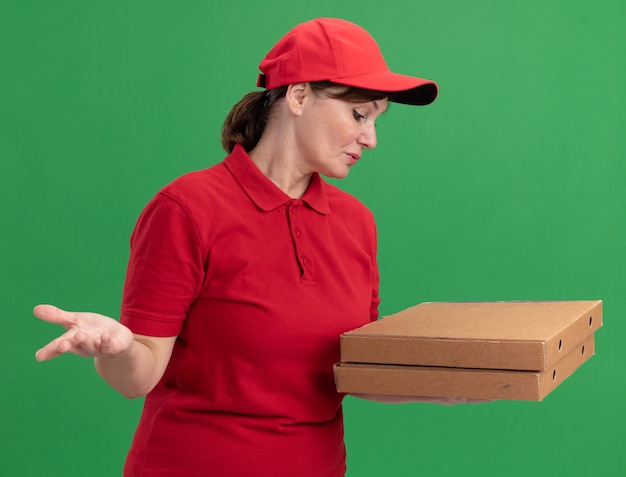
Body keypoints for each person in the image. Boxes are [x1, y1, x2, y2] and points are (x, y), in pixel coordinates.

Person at [34, 17, 445, 477]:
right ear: (299, 96)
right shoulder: (187, 208)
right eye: (359, 114)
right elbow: (139, 376)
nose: (371, 138)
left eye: (377, 119)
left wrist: (454, 382)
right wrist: (119, 349)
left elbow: (353, 369)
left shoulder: (356, 223)